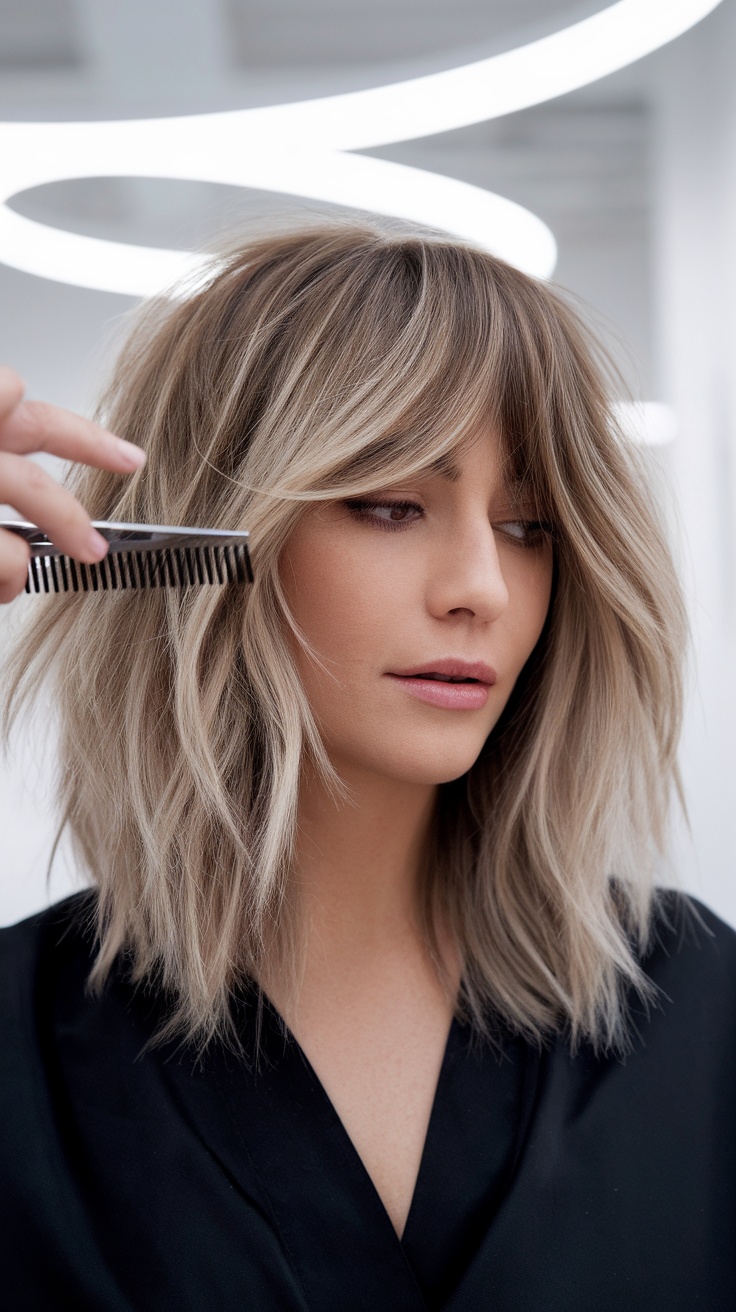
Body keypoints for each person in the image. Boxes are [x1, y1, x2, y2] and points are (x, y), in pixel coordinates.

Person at [0, 222, 734, 1311]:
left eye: (529, 525)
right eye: (391, 505)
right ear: (215, 534)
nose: (480, 585)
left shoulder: (696, 1008)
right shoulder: (19, 1056)